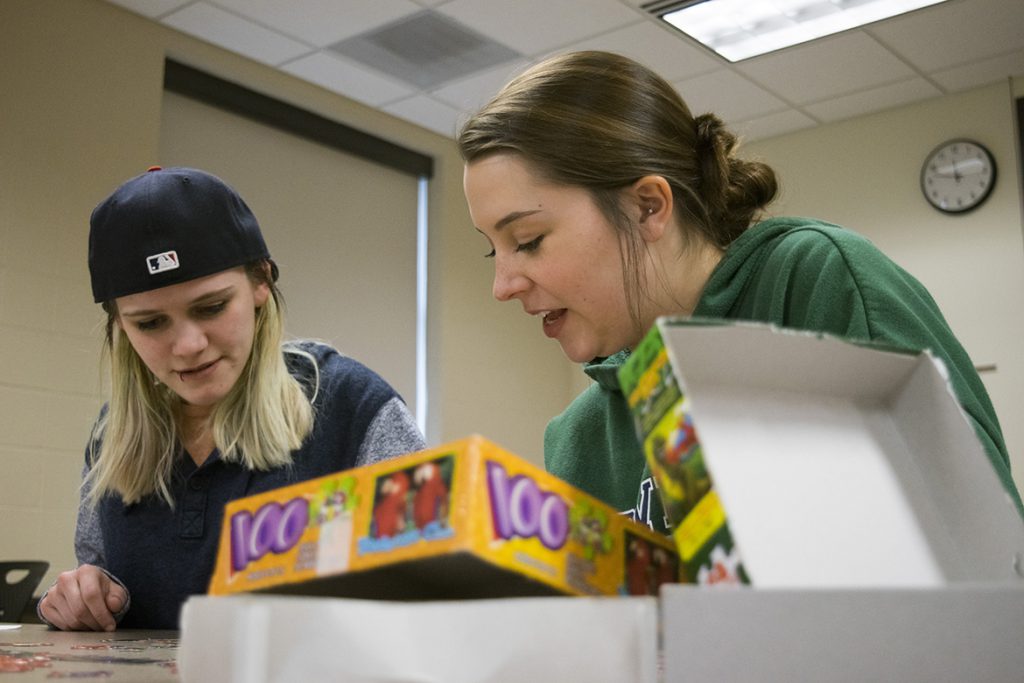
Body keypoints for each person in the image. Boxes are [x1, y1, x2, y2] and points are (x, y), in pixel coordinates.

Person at [457, 50, 1023, 534]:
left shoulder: (813, 285)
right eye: (492, 249)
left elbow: (980, 557)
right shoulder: (578, 440)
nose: (503, 286)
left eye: (527, 240)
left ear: (646, 206)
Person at [38, 167, 425, 631]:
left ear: (261, 282)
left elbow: (435, 589)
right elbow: (97, 578)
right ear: (120, 324)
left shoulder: (352, 407)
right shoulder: (112, 437)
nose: (188, 345)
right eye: (150, 323)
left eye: (212, 307)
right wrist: (83, 596)